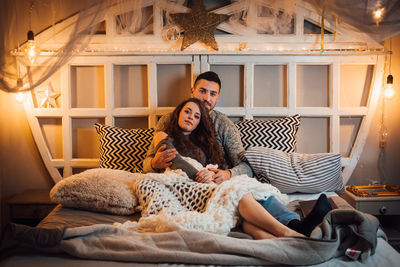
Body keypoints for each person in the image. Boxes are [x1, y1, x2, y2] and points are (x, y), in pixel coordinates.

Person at [143, 71, 331, 236]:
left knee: (253, 191)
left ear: (217, 97)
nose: (207, 98)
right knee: (242, 195)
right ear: (192, 91)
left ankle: (295, 227)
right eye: (202, 91)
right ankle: (295, 230)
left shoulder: (223, 125)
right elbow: (147, 162)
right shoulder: (171, 120)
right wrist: (155, 164)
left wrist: (227, 174)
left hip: (219, 181)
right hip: (190, 185)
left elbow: (246, 166)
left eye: (213, 93)